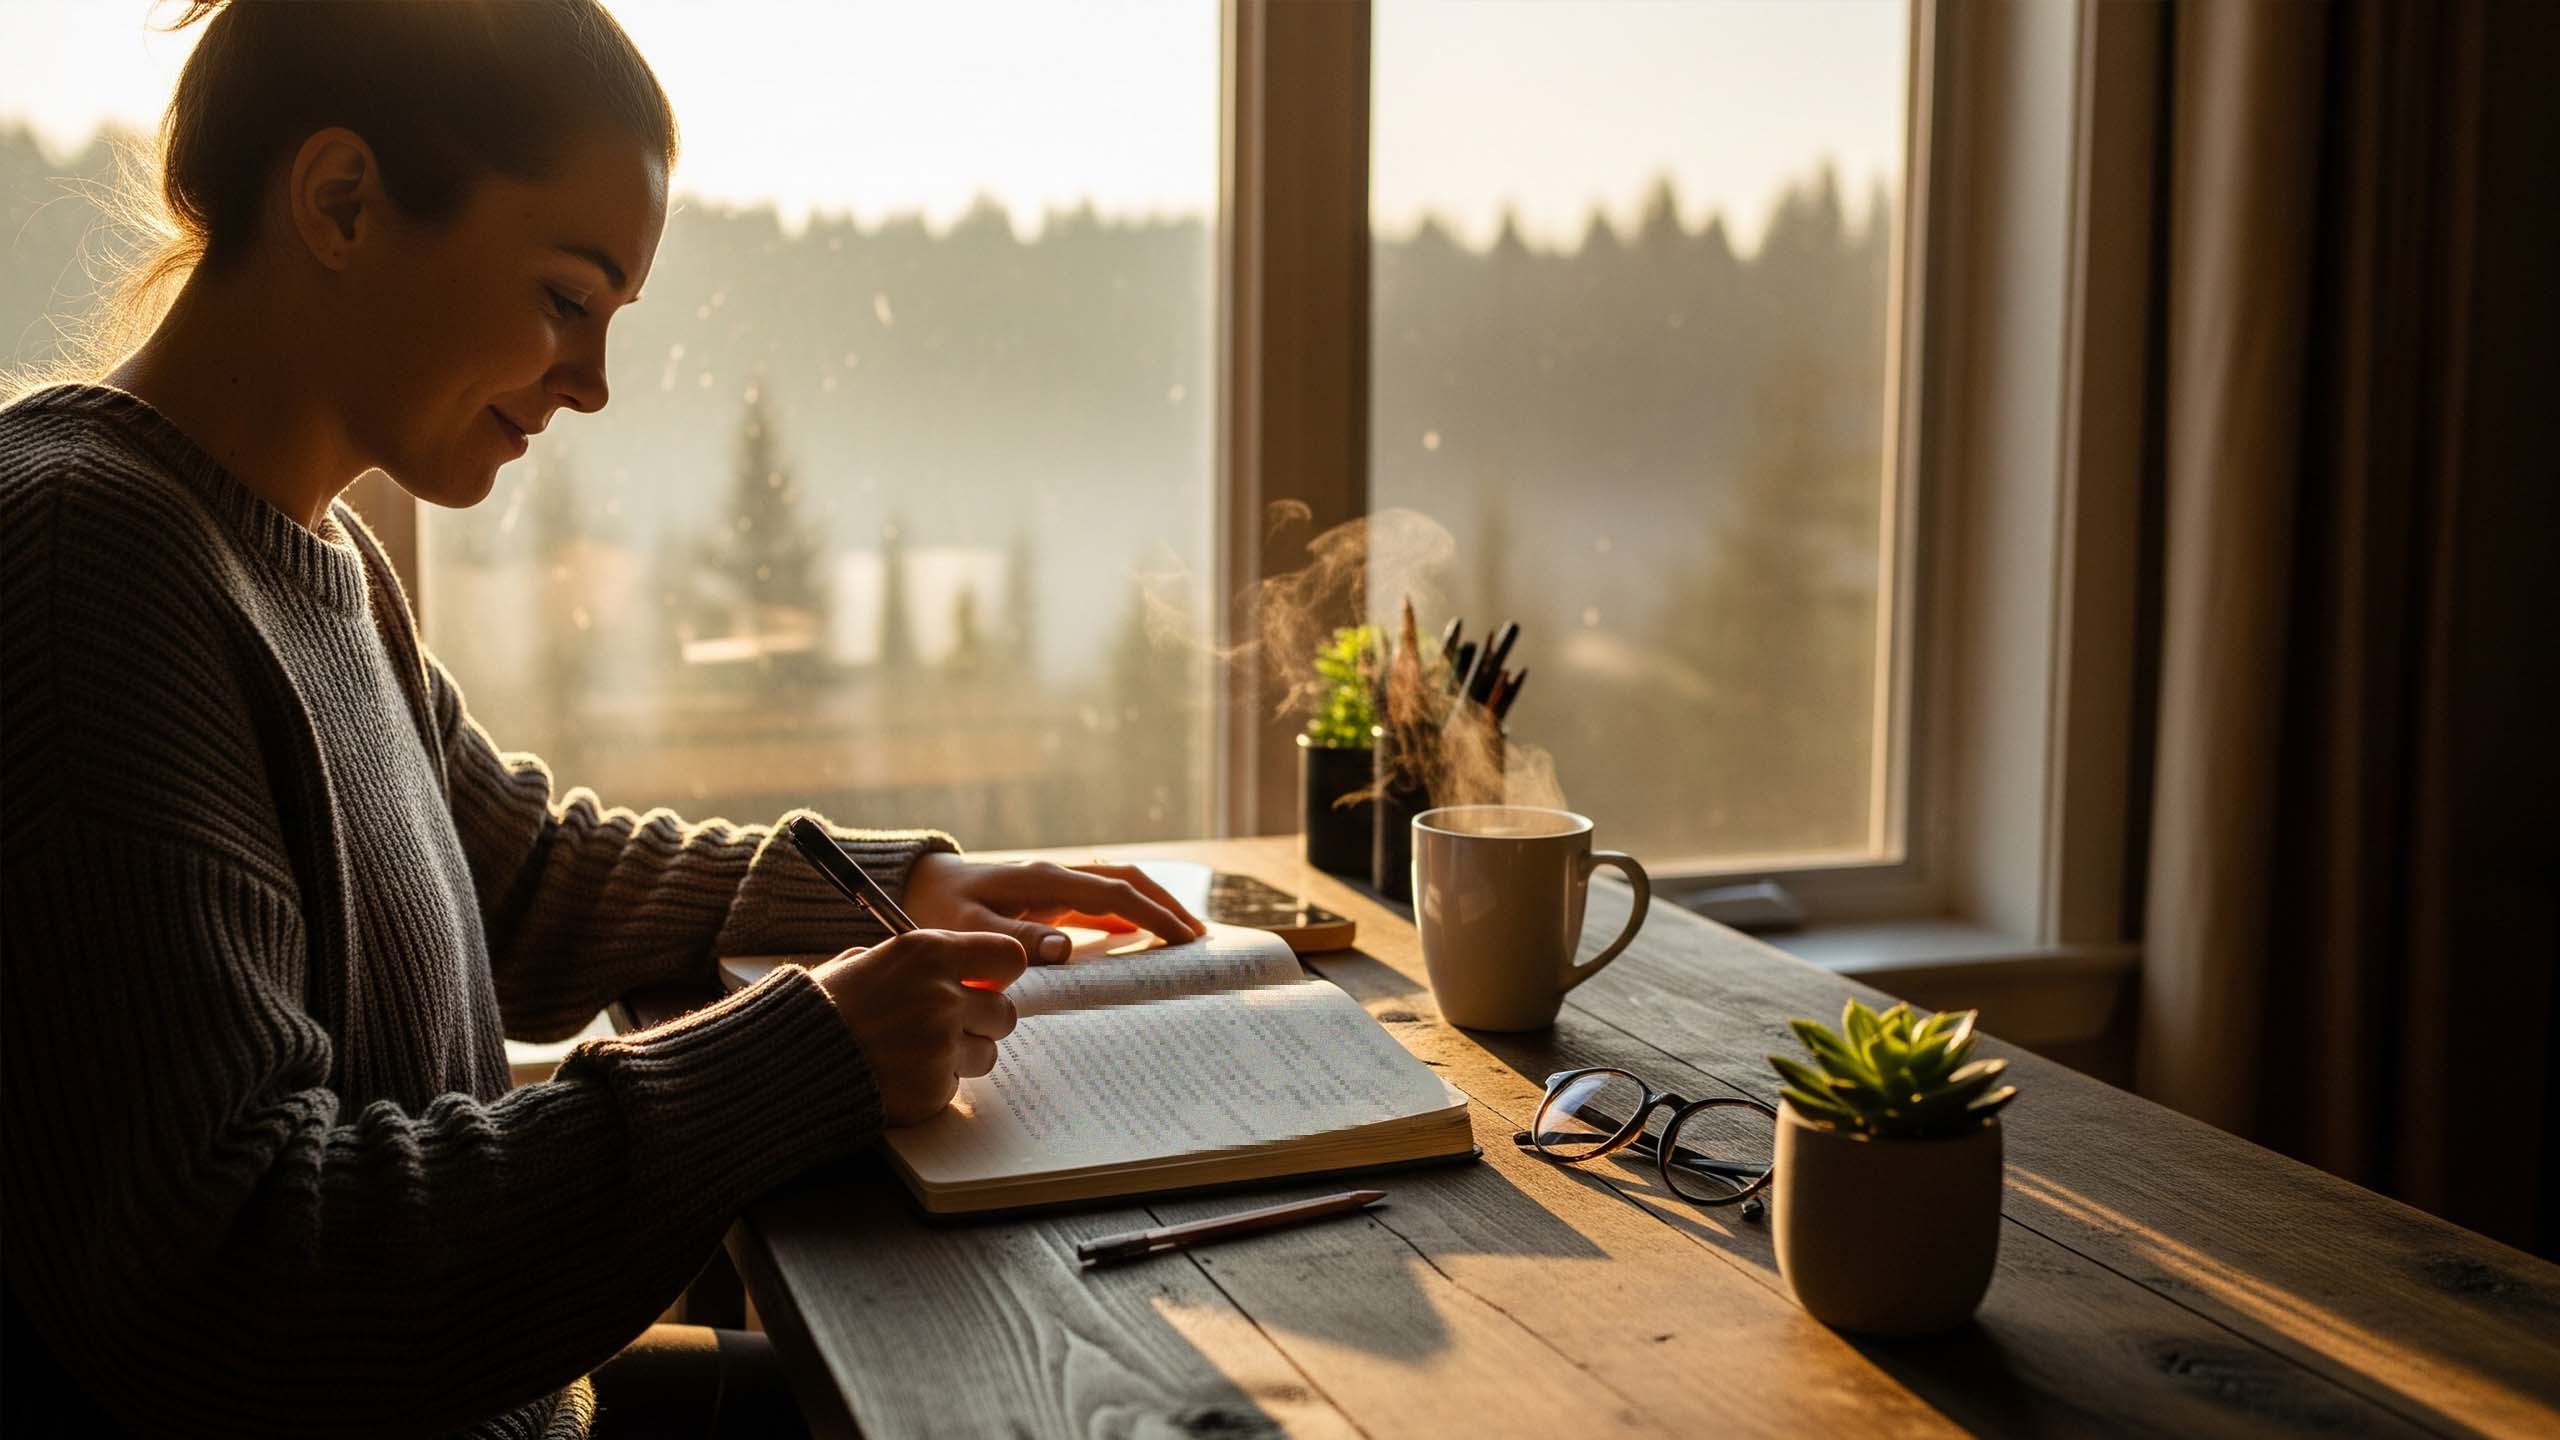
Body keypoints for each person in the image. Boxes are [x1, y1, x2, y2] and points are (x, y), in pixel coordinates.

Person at [0, 3, 1204, 1435]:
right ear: (340, 202)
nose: (595, 383)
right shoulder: (91, 569)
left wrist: (889, 891)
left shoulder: (313, 556)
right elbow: (237, 1272)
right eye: (568, 299)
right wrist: (797, 1059)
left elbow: (514, 872)